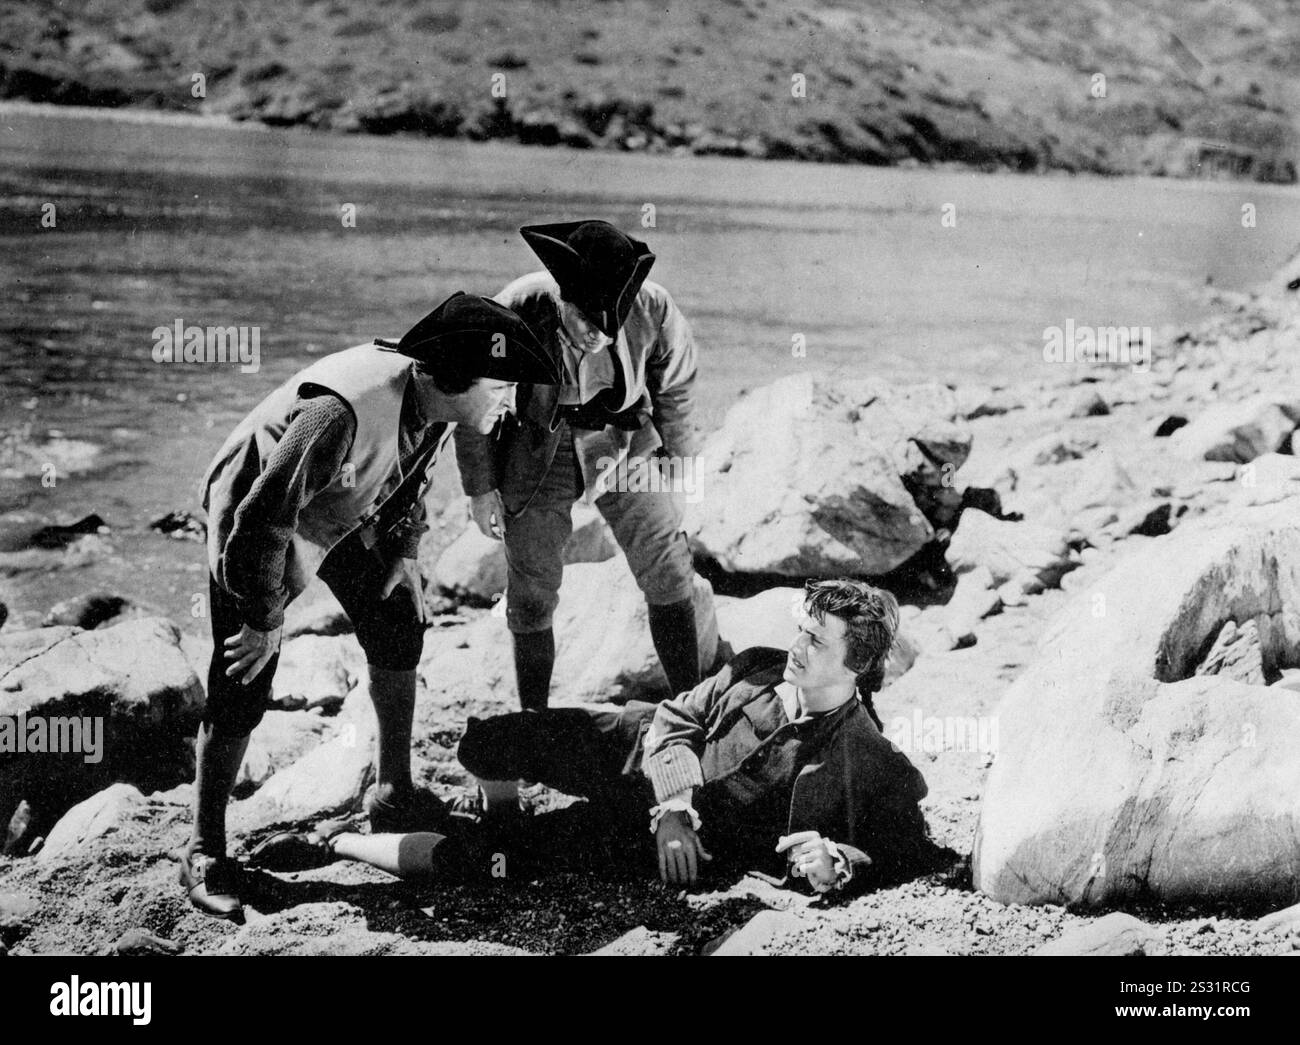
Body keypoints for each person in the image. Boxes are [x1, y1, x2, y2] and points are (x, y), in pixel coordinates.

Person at [182, 292, 559, 920]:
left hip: (336, 505)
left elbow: (411, 479)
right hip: (254, 513)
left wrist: (403, 553)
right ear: (450, 378)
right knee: (243, 678)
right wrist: (264, 619)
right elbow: (264, 518)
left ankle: (392, 792)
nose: (503, 401)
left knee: (398, 624)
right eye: (497, 387)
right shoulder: (338, 414)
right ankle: (204, 850)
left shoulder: (437, 399)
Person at [266, 580, 931, 897]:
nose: (798, 644)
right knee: (488, 743)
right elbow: (675, 717)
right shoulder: (759, 661)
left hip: (672, 851)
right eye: (803, 627)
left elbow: (905, 847)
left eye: (817, 639)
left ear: (857, 662)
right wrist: (674, 803)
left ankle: (338, 842)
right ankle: (502, 812)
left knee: (489, 868)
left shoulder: (869, 758)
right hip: (635, 747)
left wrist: (835, 859)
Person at [456, 220, 706, 735]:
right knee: (532, 586)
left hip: (622, 439)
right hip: (537, 447)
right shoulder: (520, 305)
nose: (599, 334)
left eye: (609, 322)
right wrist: (480, 489)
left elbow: (676, 388)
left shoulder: (655, 306)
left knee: (667, 565)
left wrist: (680, 467)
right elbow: (471, 395)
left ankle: (691, 712)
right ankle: (534, 723)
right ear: (562, 298)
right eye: (586, 321)